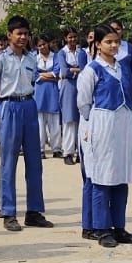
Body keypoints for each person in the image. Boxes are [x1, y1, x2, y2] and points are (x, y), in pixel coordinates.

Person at [78, 25, 132, 248]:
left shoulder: (122, 67)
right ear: (97, 44)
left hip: (123, 124)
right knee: (101, 177)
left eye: (116, 41)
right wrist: (93, 126)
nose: (113, 45)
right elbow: (83, 103)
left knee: (120, 175)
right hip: (102, 123)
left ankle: (119, 227)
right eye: (108, 42)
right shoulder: (92, 70)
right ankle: (101, 228)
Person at [0, 16, 53, 231]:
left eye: (26, 33)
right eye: (19, 33)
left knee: (35, 161)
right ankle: (9, 212)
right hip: (9, 106)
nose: (23, 37)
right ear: (9, 35)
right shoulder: (0, 60)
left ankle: (34, 211)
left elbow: (33, 81)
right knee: (9, 162)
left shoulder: (32, 58)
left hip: (29, 105)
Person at [53, 29, 87, 166]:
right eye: (70, 37)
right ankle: (68, 152)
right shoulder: (62, 53)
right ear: (65, 38)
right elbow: (64, 71)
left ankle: (80, 151)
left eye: (74, 37)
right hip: (68, 87)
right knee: (69, 119)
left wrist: (72, 70)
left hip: (81, 86)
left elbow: (85, 69)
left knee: (81, 119)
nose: (72, 39)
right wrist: (75, 70)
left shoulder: (81, 52)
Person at [34, 35, 62, 158]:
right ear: (37, 47)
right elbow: (34, 75)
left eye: (44, 44)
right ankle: (40, 149)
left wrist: (42, 75)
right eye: (39, 45)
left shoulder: (56, 57)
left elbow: (57, 73)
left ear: (48, 44)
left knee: (54, 123)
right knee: (39, 123)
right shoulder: (34, 58)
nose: (42, 47)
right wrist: (50, 77)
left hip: (52, 93)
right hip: (39, 93)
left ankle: (56, 148)